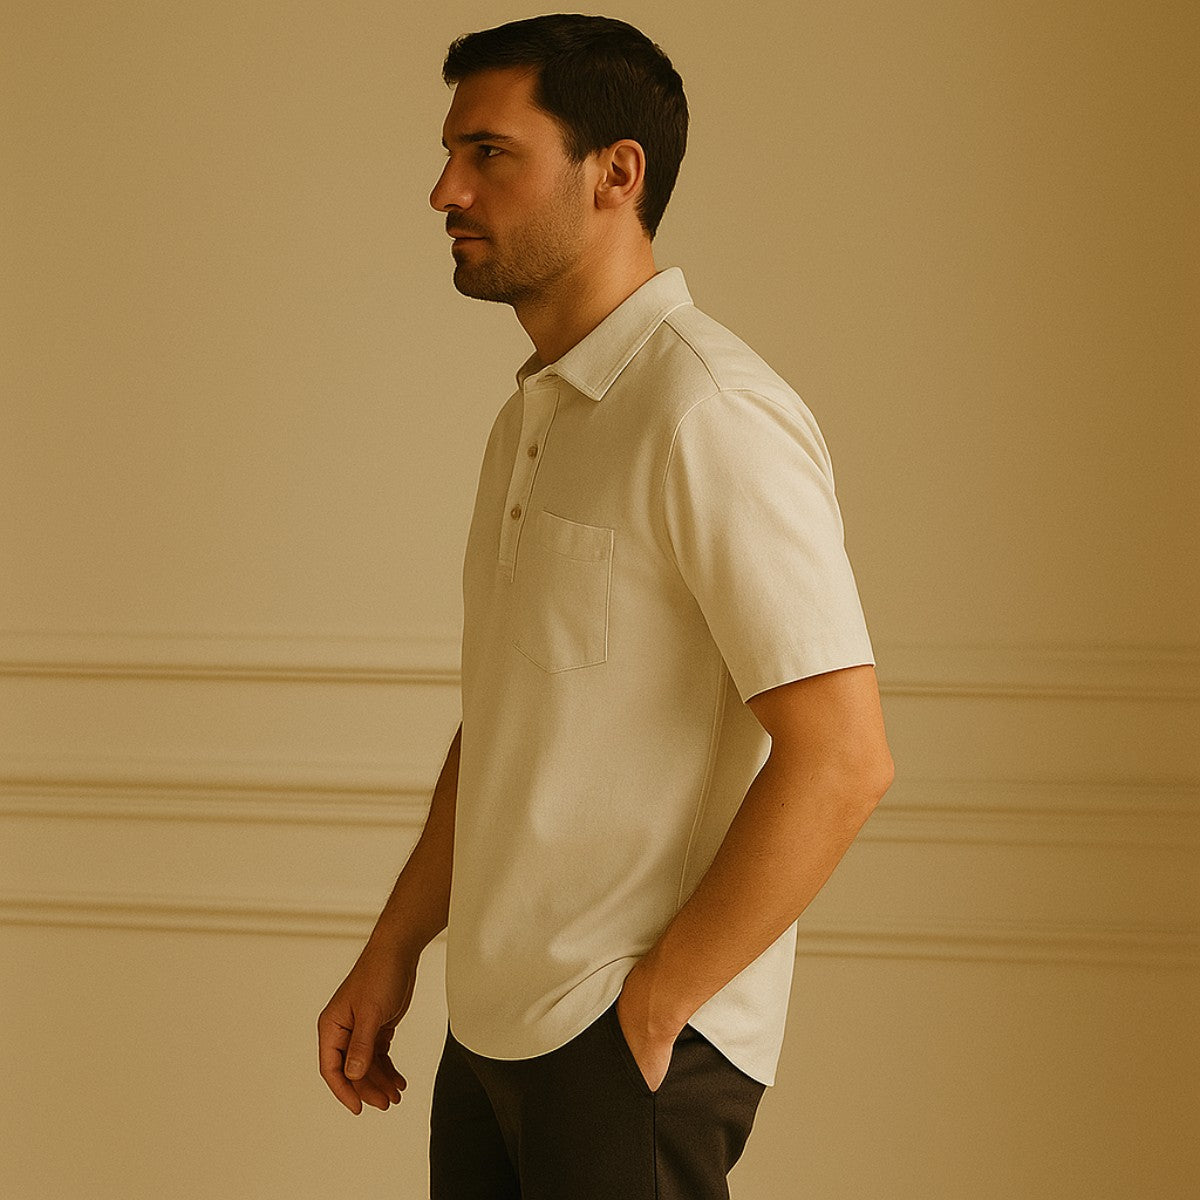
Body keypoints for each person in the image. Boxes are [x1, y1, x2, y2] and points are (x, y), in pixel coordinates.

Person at [318, 14, 894, 1199]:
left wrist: (655, 1009)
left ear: (615, 173)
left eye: (489, 153)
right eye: (449, 154)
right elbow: (509, 721)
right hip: (491, 1031)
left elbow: (843, 757)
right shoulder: (532, 418)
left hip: (621, 1045)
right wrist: (395, 946)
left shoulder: (709, 411)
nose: (445, 191)